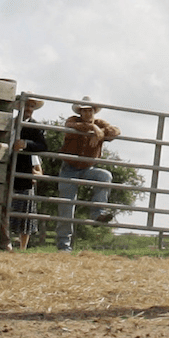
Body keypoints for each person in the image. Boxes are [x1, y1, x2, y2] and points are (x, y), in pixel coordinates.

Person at [55, 96, 121, 252]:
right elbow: (70, 125)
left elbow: (116, 131)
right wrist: (92, 129)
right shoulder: (74, 120)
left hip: (87, 169)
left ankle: (98, 213)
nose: (87, 113)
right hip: (69, 168)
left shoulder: (100, 123)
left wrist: (101, 131)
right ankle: (63, 246)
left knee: (105, 176)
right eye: (84, 110)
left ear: (94, 111)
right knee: (67, 206)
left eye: (90, 110)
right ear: (80, 112)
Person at [9, 98, 49, 251]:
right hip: (4, 165)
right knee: (5, 206)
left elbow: (42, 146)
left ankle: (22, 248)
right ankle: (4, 242)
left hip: (23, 169)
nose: (29, 108)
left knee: (24, 211)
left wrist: (26, 144)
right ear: (19, 106)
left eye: (32, 106)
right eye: (27, 105)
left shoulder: (34, 126)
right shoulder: (8, 122)